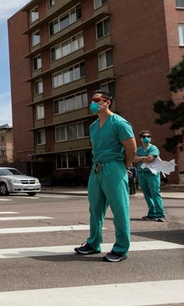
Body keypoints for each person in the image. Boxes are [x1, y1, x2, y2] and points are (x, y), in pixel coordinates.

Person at [74, 90, 136, 262]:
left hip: (114, 167)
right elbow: (96, 147)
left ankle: (121, 249)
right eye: (92, 100)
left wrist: (125, 166)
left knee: (119, 209)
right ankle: (93, 243)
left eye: (96, 100)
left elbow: (132, 149)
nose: (92, 103)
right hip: (97, 168)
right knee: (95, 209)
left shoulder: (120, 123)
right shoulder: (93, 126)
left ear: (107, 102)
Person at [134, 130, 166, 222]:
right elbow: (134, 159)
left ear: (151, 138)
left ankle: (160, 214)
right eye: (144, 136)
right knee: (147, 194)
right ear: (140, 139)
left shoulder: (153, 148)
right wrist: (144, 158)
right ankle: (152, 213)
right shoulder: (139, 149)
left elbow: (151, 159)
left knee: (155, 193)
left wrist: (140, 158)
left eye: (148, 136)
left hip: (152, 174)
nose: (146, 138)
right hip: (141, 173)